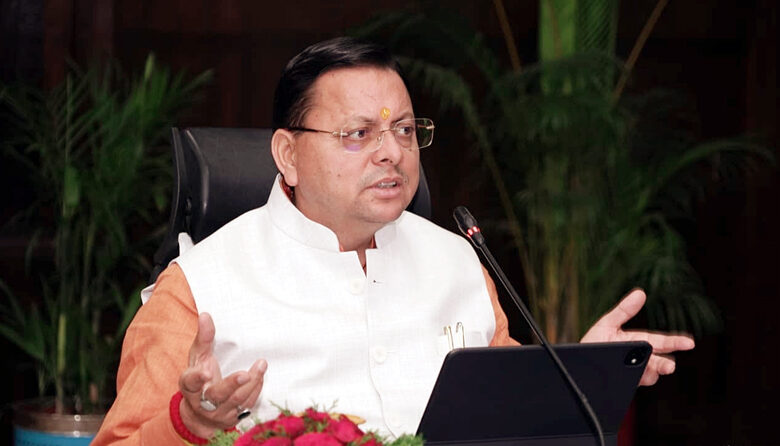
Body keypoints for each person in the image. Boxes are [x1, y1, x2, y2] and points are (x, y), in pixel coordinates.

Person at [92, 37, 694, 445]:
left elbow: (506, 418)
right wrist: (189, 423)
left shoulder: (459, 260)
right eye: (358, 134)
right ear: (288, 154)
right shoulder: (200, 286)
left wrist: (580, 376)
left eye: (404, 129)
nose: (392, 152)